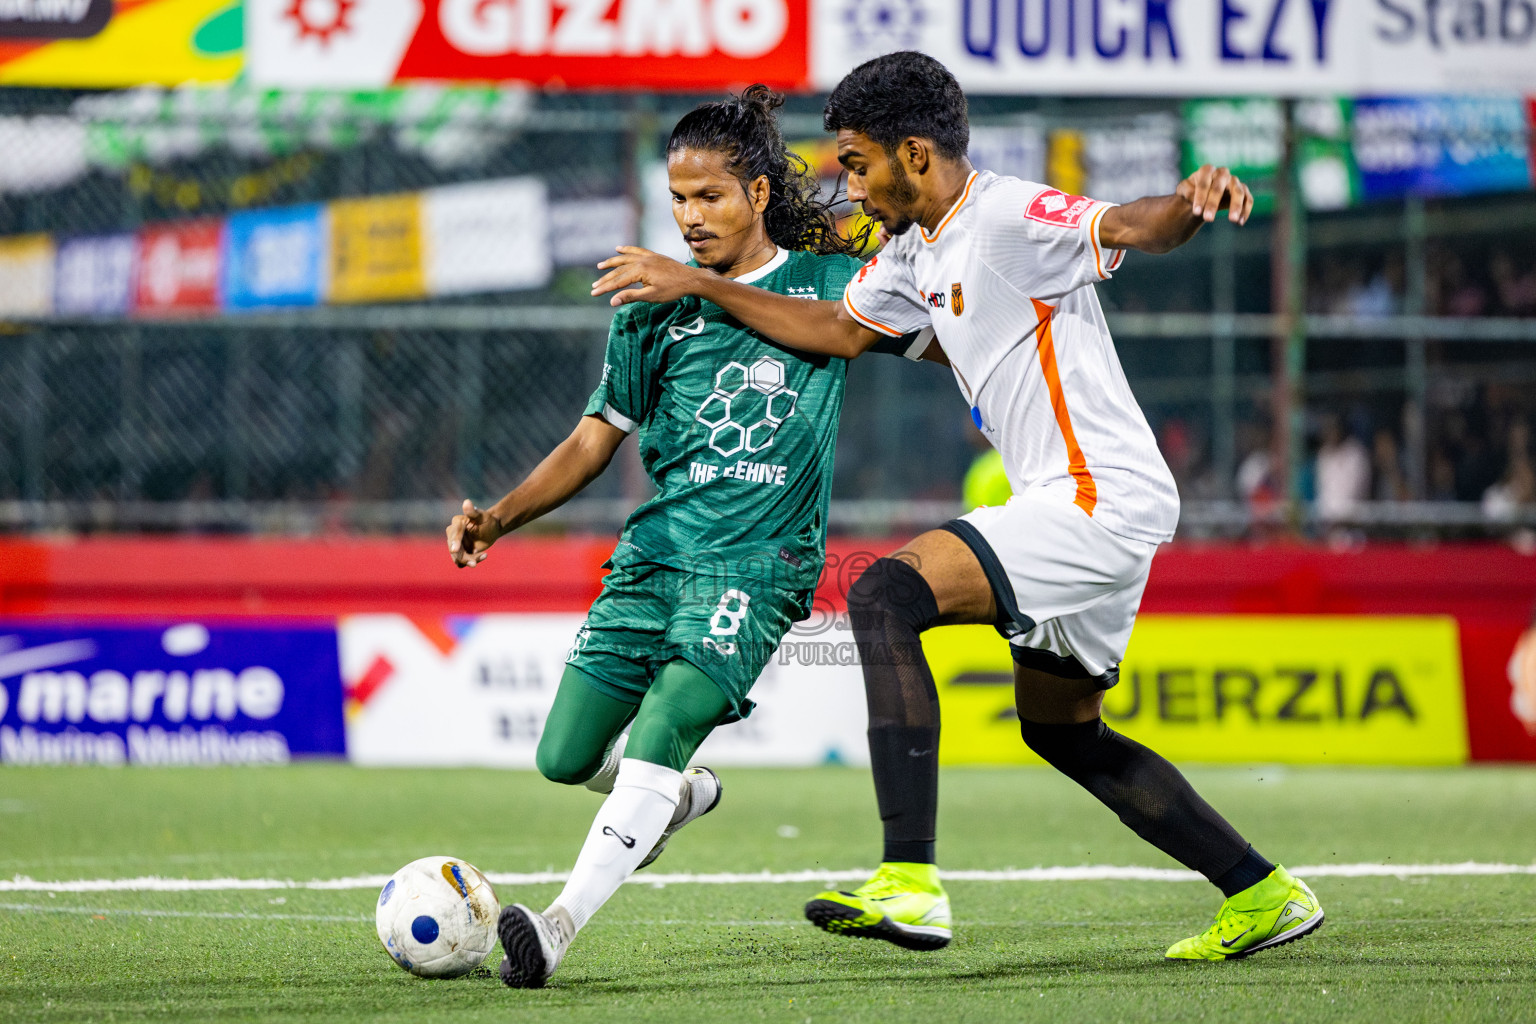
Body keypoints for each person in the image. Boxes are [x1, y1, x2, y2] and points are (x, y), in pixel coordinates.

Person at [592, 51, 1324, 962]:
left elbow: (1129, 223)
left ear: (914, 154)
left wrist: (1191, 198)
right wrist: (701, 282)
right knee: (1065, 733)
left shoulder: (1007, 214)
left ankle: (910, 879)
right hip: (1078, 505)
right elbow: (838, 328)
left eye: (857, 165)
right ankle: (1263, 893)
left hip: (1097, 496)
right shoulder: (914, 250)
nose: (849, 186)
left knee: (883, 596)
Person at [447, 85, 926, 988]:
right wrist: (499, 516)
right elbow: (596, 438)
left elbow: (925, 334)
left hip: (760, 563)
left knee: (666, 722)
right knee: (564, 758)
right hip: (655, 556)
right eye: (677, 198)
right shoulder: (647, 306)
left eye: (708, 196)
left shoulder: (832, 287)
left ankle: (554, 928)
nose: (689, 217)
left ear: (755, 192)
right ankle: (681, 797)